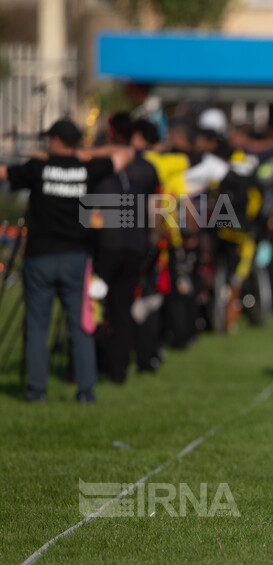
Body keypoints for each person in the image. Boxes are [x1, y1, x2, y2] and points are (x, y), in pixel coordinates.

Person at [0, 118, 133, 402]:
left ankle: (36, 391)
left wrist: (45, 160)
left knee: (37, 326)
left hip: (39, 257)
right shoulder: (86, 168)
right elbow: (125, 154)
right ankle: (85, 390)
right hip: (75, 257)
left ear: (57, 141)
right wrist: (84, 154)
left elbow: (3, 173)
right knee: (81, 326)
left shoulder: (38, 168)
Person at [92, 113, 161, 384]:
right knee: (122, 308)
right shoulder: (148, 168)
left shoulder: (100, 166)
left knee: (93, 305)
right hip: (135, 244)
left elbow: (92, 212)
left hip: (107, 244)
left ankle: (87, 365)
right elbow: (155, 210)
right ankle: (118, 370)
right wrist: (152, 241)